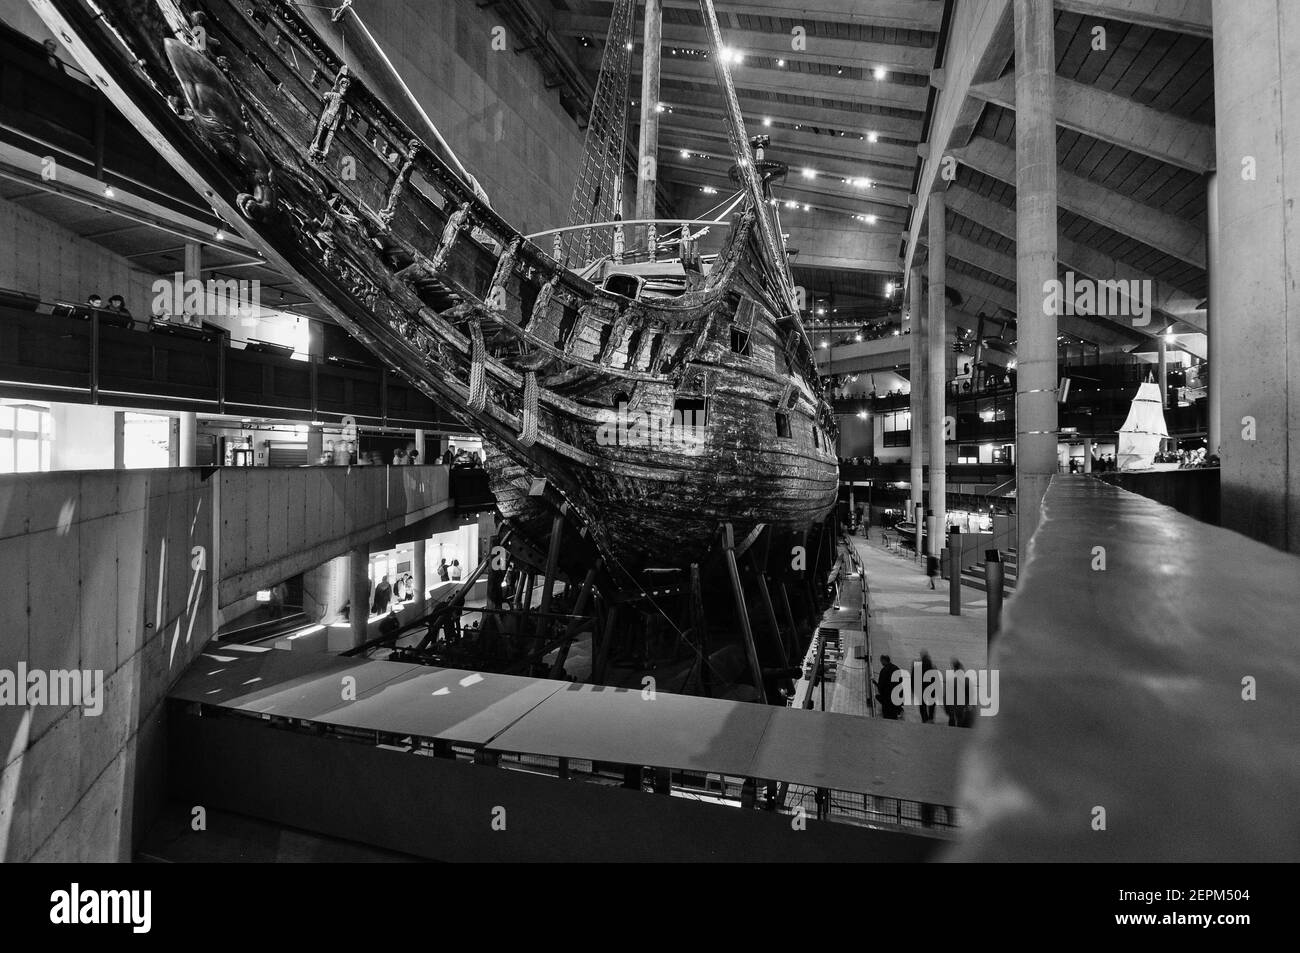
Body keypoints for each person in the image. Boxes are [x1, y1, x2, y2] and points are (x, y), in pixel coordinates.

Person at [876, 655, 902, 719]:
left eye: (881, 661)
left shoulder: (884, 670)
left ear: (884, 660)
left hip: (887, 698)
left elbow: (881, 686)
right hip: (896, 696)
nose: (881, 662)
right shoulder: (896, 668)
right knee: (893, 714)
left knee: (887, 715)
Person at [919, 651, 937, 723]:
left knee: (922, 705)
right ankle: (930, 718)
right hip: (931, 690)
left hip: (921, 690)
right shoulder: (933, 668)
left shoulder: (918, 667)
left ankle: (924, 719)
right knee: (931, 705)